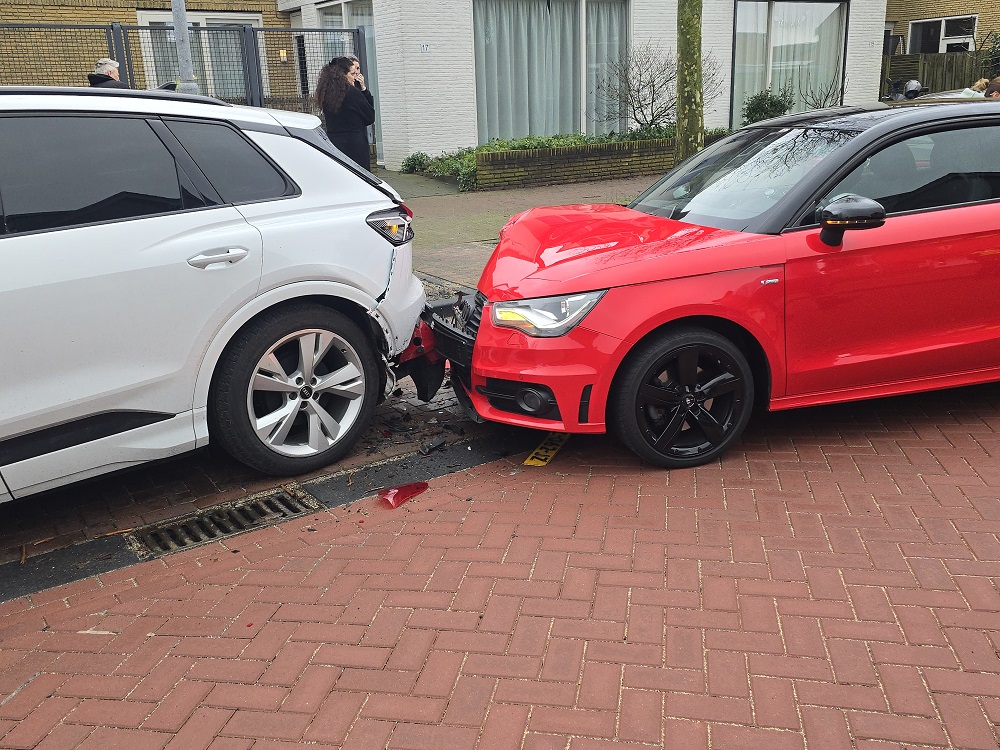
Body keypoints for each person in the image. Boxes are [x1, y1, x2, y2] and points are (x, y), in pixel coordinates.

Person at [315, 56, 375, 171]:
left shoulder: (327, 93)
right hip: (355, 145)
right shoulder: (352, 93)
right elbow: (370, 116)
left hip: (335, 143)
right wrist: (364, 91)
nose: (354, 77)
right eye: (352, 74)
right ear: (343, 75)